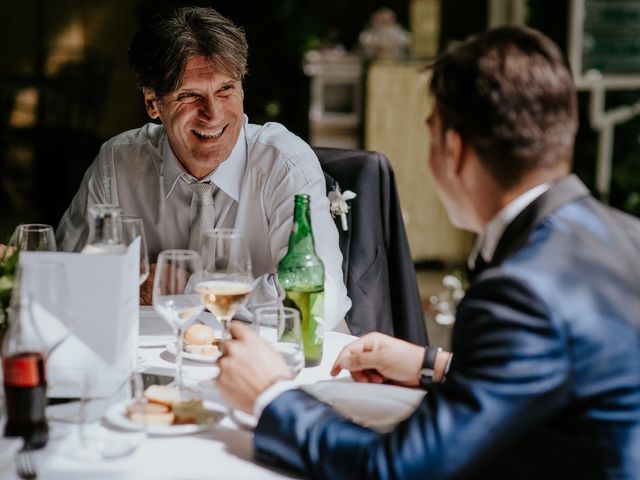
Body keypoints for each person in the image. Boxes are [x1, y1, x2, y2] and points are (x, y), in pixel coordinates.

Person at [216, 25, 640, 478]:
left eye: (431, 131)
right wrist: (431, 365)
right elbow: (572, 372)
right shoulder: (627, 234)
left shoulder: (521, 290)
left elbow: (398, 470)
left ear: (453, 149)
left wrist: (270, 397)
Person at [55, 6, 350, 328]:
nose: (213, 114)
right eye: (190, 96)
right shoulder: (118, 163)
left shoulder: (285, 165)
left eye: (225, 90)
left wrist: (184, 287)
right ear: (153, 103)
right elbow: (71, 276)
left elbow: (318, 301)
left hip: (277, 363)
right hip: (155, 357)